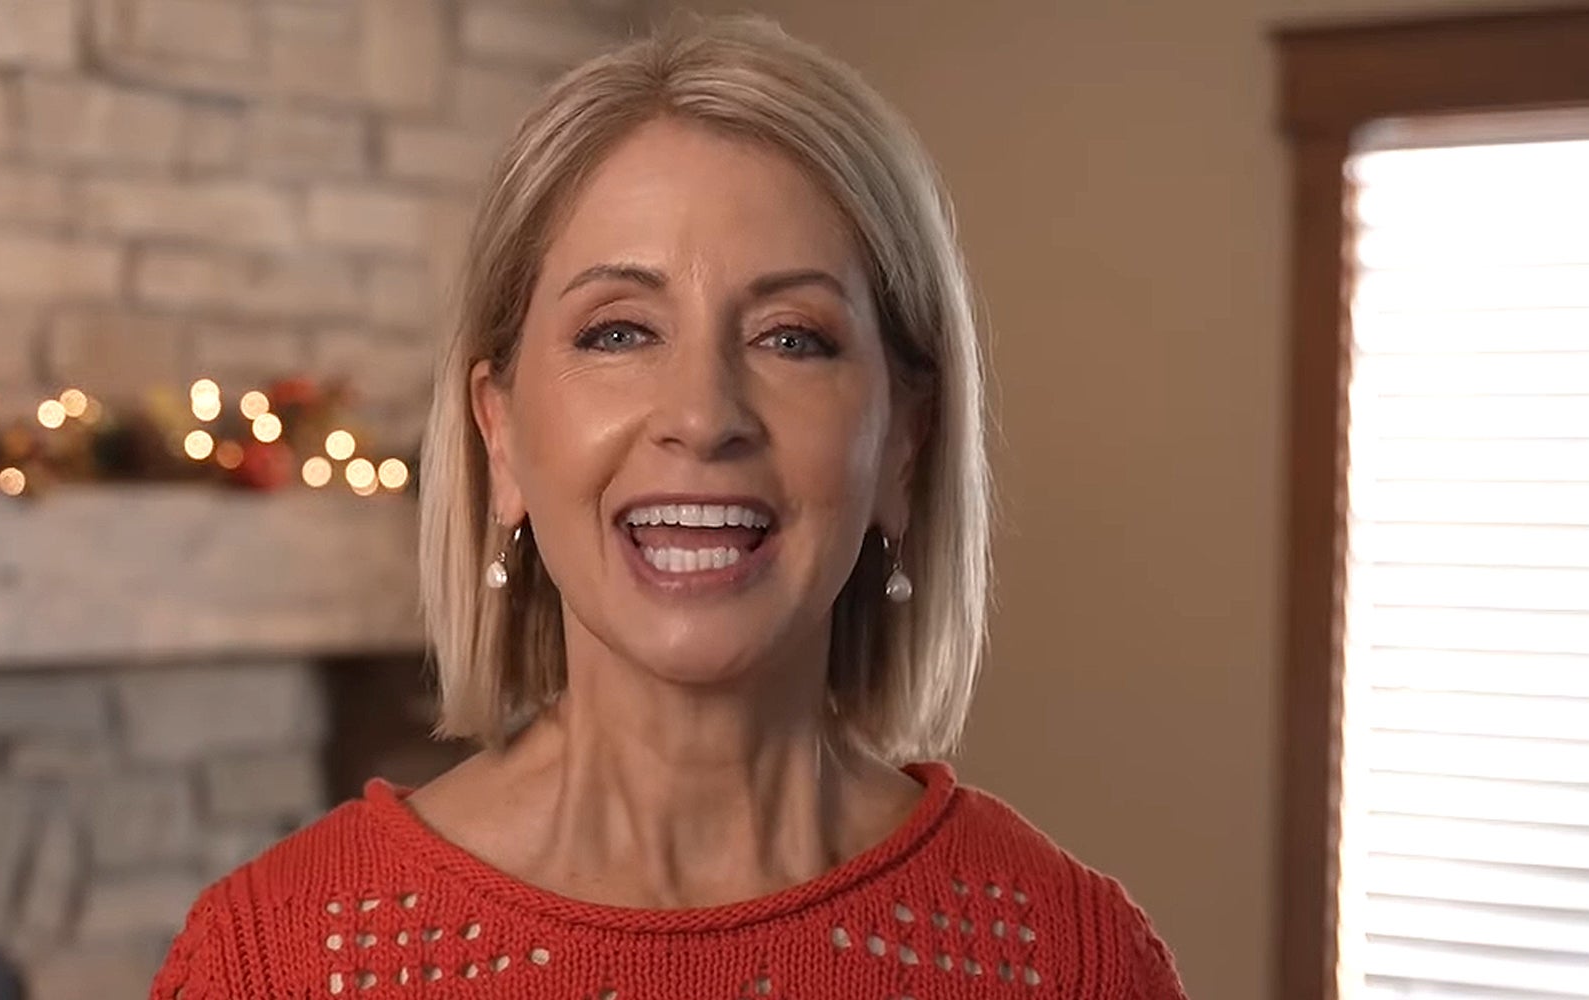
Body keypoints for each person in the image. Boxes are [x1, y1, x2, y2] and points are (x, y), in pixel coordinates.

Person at [151, 15, 1187, 999]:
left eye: (792, 336)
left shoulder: (1067, 962)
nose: (700, 416)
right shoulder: (275, 961)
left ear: (903, 447)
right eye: (617, 332)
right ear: (500, 435)